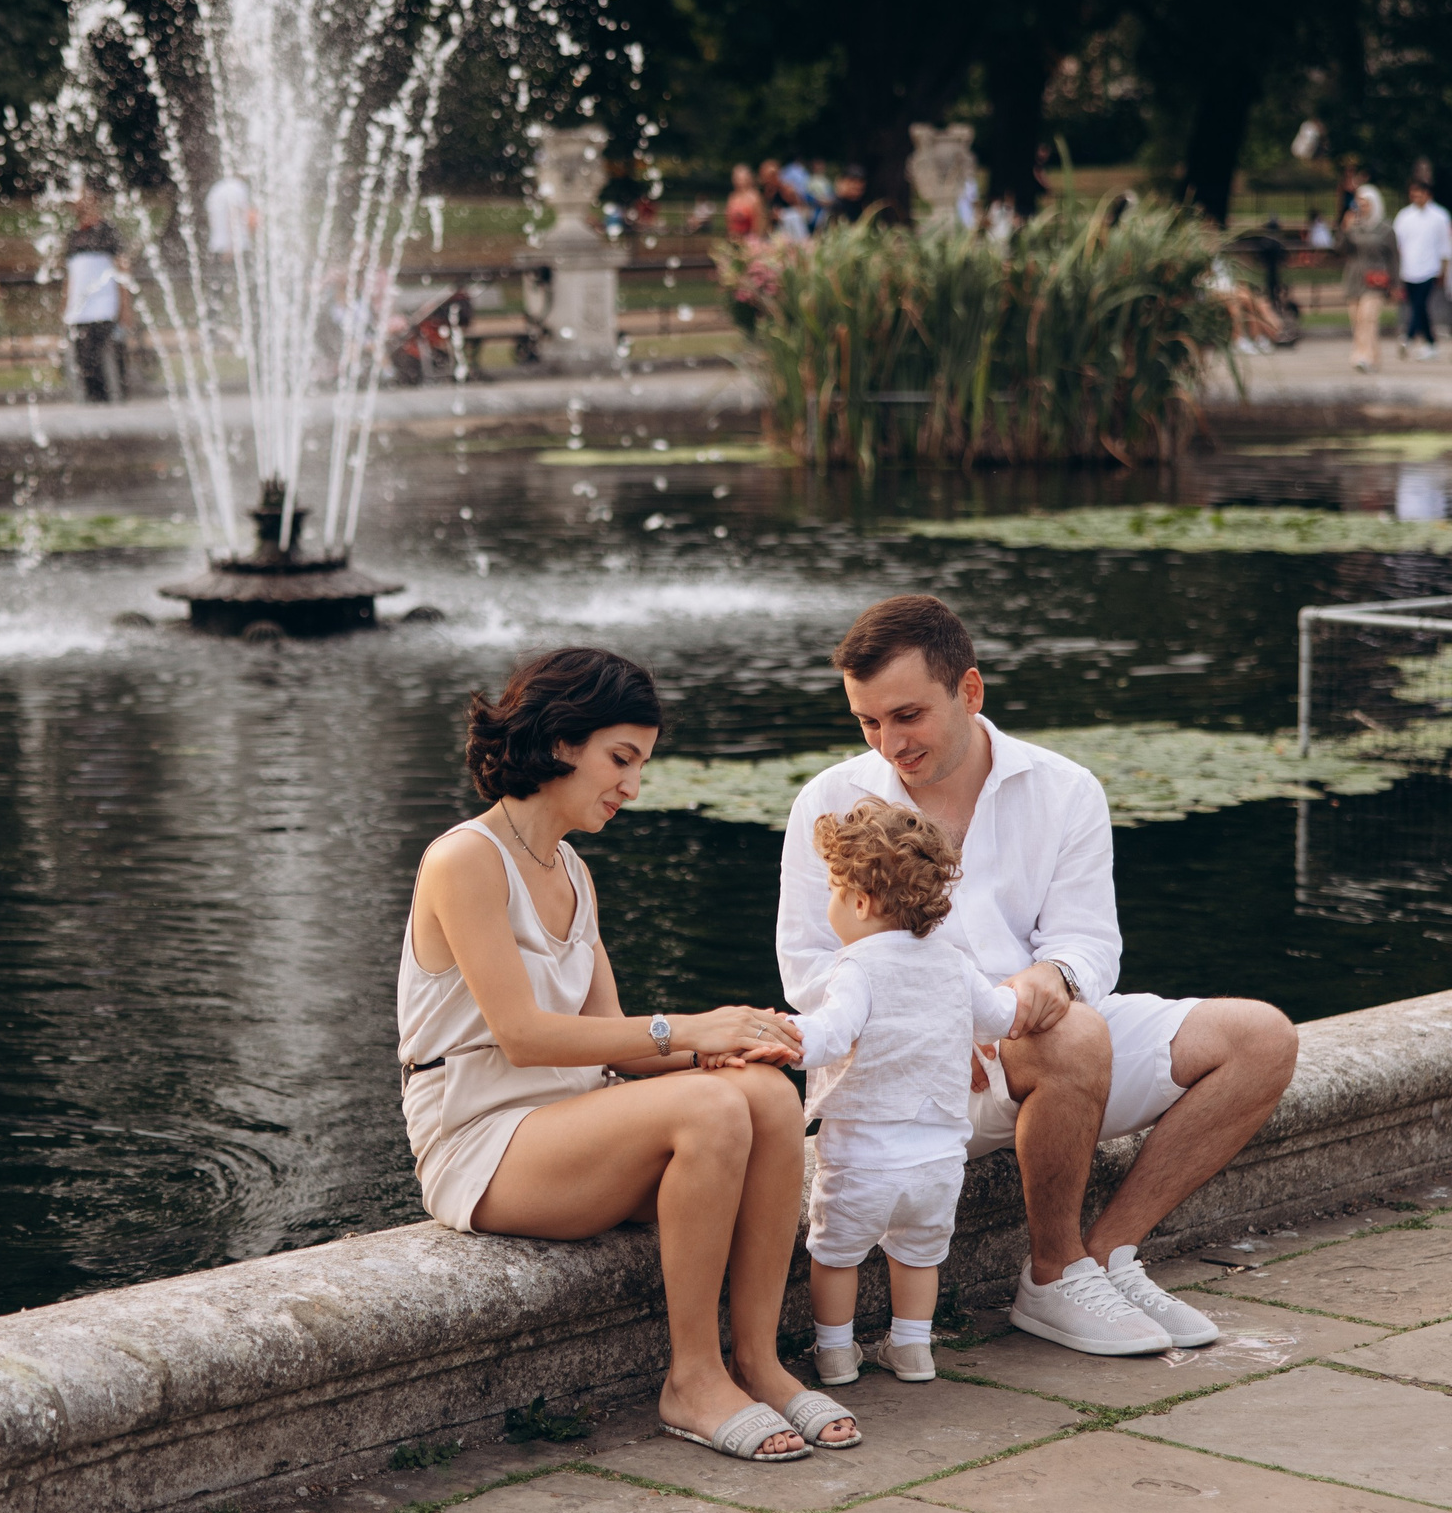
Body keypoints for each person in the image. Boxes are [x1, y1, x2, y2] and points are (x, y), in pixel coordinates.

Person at [779, 596, 1298, 1358]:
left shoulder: (1065, 788)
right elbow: (808, 968)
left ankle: (1107, 1255)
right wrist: (924, 1021)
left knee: (1262, 1038)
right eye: (868, 722)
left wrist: (1052, 975)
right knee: (1075, 1036)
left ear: (970, 691)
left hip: (1037, 1042)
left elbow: (1088, 944)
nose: (890, 742)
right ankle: (1052, 1278)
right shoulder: (831, 801)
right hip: (913, 1077)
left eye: (908, 715)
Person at [402, 648, 854, 1463]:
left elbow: (620, 1046)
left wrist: (738, 1040)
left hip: (571, 1124)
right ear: (562, 740)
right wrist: (690, 1030)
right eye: (622, 759)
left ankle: (757, 1359)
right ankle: (691, 1378)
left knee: (763, 1095)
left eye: (640, 764)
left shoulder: (571, 868)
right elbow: (524, 1035)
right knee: (713, 1104)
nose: (633, 786)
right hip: (480, 1141)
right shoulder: (464, 859)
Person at [792, 798, 1017, 1389]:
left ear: (860, 901)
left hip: (863, 1158)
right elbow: (996, 1016)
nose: (832, 904)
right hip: (939, 1159)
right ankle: (914, 1350)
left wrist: (783, 1037)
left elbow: (830, 1034)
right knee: (919, 1254)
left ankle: (837, 1353)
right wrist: (1035, 996)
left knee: (836, 1254)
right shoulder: (953, 962)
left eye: (835, 891)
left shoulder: (856, 966)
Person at [63, 194, 127, 403]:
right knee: (84, 356)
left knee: (102, 350)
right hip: (79, 306)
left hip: (103, 302)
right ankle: (95, 398)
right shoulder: (73, 235)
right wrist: (65, 305)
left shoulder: (107, 231)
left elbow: (122, 266)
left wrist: (125, 304)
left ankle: (115, 395)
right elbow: (70, 274)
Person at [1394, 178, 1451, 360]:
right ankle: (1430, 343)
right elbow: (1397, 244)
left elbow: (1445, 246)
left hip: (1430, 268)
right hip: (1409, 268)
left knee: (1420, 303)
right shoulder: (1404, 216)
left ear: (1427, 194)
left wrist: (1444, 270)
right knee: (1419, 306)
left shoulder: (1440, 216)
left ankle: (1408, 337)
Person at [1345, 184, 1395, 374]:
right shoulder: (1354, 226)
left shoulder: (1385, 229)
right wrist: (1345, 228)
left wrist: (1396, 284)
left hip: (1375, 280)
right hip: (1354, 279)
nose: (1362, 208)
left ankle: (1361, 356)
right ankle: (1373, 357)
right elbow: (1340, 249)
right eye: (1360, 204)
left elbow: (1393, 259)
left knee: (1368, 318)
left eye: (1365, 204)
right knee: (1357, 320)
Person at [723, 164, 766, 242]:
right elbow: (728, 221)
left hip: (750, 241)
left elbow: (759, 222)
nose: (738, 181)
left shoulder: (755, 197)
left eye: (741, 178)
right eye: (736, 178)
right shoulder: (732, 197)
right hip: (734, 239)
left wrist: (755, 241)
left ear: (748, 178)